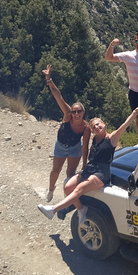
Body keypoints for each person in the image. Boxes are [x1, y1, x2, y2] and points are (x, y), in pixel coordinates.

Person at [37, 102, 138, 223]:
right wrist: (84, 166)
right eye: (94, 127)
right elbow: (86, 150)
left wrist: (135, 112)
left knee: (79, 188)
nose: (96, 127)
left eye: (98, 124)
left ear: (104, 124)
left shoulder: (111, 138)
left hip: (101, 173)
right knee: (68, 187)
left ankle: (53, 210)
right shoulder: (95, 139)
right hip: (89, 169)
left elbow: (124, 125)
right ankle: (81, 209)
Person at [42, 64, 91, 202]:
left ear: (83, 112)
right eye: (74, 111)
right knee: (55, 170)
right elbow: (58, 96)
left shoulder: (85, 128)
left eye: (79, 111)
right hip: (60, 145)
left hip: (75, 148)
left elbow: (85, 147)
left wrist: (85, 165)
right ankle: (51, 189)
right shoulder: (67, 115)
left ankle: (68, 196)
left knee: (70, 173)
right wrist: (49, 79)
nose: (76, 114)